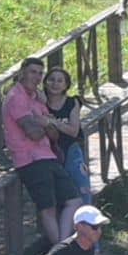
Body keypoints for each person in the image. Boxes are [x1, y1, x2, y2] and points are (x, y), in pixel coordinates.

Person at [3, 56, 82, 246]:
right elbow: (34, 133)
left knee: (74, 200)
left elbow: (53, 135)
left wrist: (44, 123)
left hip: (48, 156)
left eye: (40, 73)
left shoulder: (37, 99)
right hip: (29, 160)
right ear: (22, 72)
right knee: (47, 208)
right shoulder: (16, 97)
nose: (37, 77)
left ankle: (62, 247)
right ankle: (61, 251)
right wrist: (45, 125)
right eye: (32, 72)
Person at [44, 65, 91, 206]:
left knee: (82, 184)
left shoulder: (72, 102)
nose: (55, 84)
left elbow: (73, 131)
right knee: (58, 191)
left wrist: (54, 122)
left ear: (66, 85)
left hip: (71, 147)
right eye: (51, 80)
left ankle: (88, 221)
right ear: (45, 82)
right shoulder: (41, 103)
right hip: (49, 150)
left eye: (60, 81)